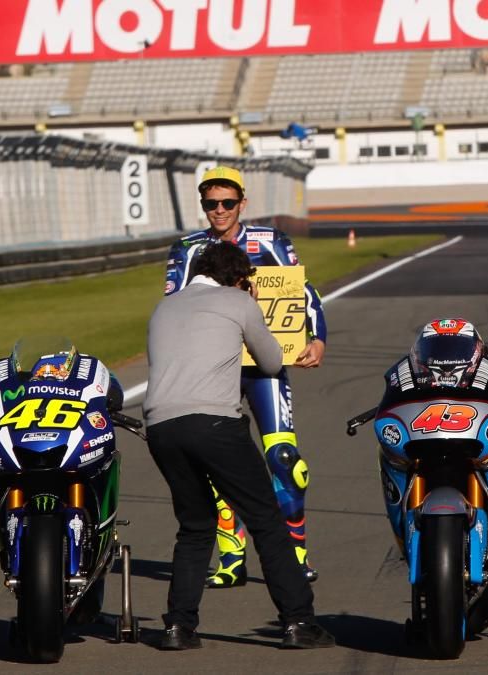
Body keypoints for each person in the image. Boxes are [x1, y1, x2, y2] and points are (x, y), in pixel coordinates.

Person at [144, 241, 334, 650]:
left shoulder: (164, 307)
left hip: (161, 425)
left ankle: (179, 627)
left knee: (194, 528)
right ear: (237, 278)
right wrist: (251, 308)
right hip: (215, 422)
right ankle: (298, 622)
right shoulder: (237, 299)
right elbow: (269, 362)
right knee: (266, 521)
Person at [165, 166, 327, 588]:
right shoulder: (187, 248)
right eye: (210, 204)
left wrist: (318, 338)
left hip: (264, 366)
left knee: (285, 461)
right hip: (213, 368)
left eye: (227, 203)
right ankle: (231, 557)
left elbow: (303, 291)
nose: (219, 211)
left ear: (243, 203)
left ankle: (295, 555)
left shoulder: (269, 241)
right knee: (217, 462)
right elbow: (174, 305)